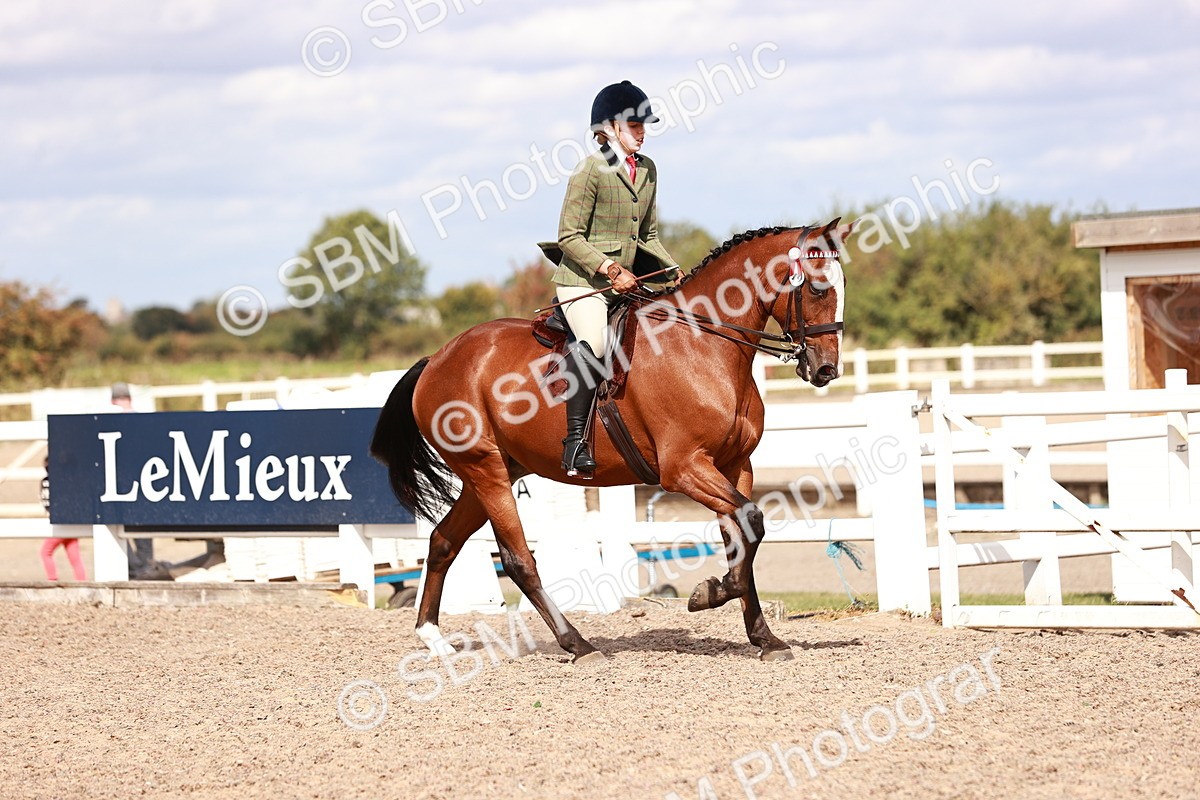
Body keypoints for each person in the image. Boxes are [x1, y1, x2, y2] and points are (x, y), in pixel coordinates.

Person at [539, 80, 681, 477]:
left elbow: (648, 236)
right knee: (596, 342)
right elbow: (569, 237)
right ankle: (574, 444)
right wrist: (611, 269)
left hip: (628, 282)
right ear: (610, 128)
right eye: (634, 126)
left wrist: (674, 270)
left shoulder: (648, 169)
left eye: (643, 126)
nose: (642, 133)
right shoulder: (590, 170)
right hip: (584, 282)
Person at [39, 457, 86, 581]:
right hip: (71, 522)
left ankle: (52, 580)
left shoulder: (47, 481)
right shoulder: (67, 480)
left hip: (59, 523)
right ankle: (82, 582)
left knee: (45, 552)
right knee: (74, 556)